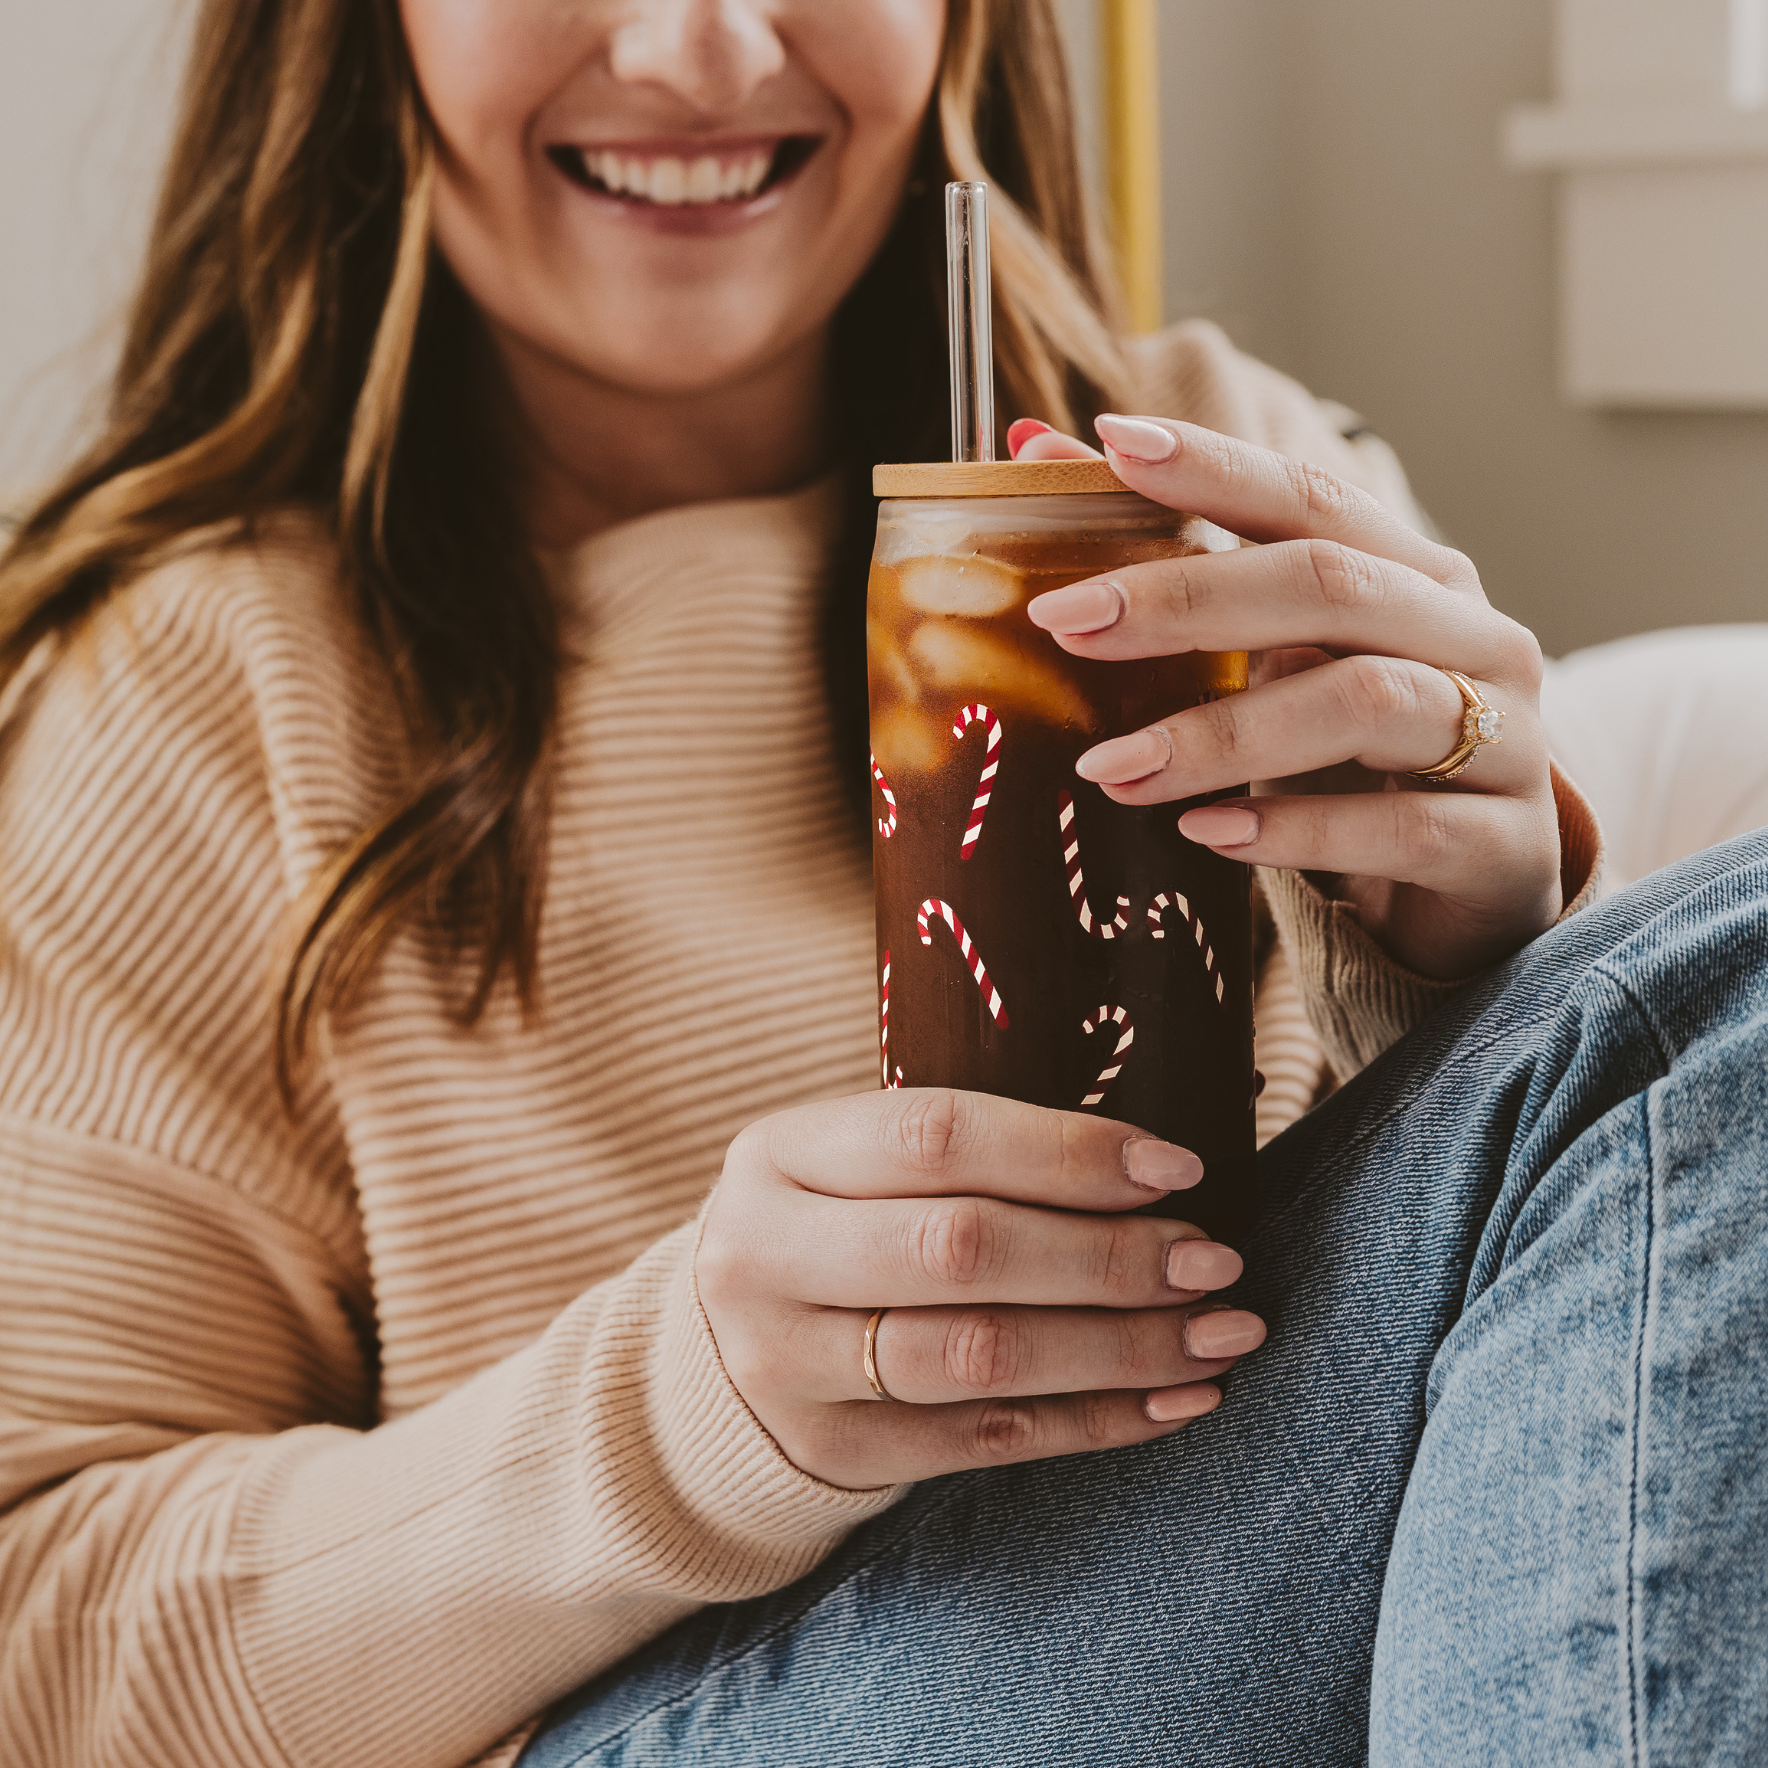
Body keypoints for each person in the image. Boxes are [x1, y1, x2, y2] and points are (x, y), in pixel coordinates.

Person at [0, 2, 1757, 1765]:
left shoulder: (1219, 476)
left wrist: (1473, 967)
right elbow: (39, 1643)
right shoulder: (183, 681)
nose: (697, 55)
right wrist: (687, 1412)